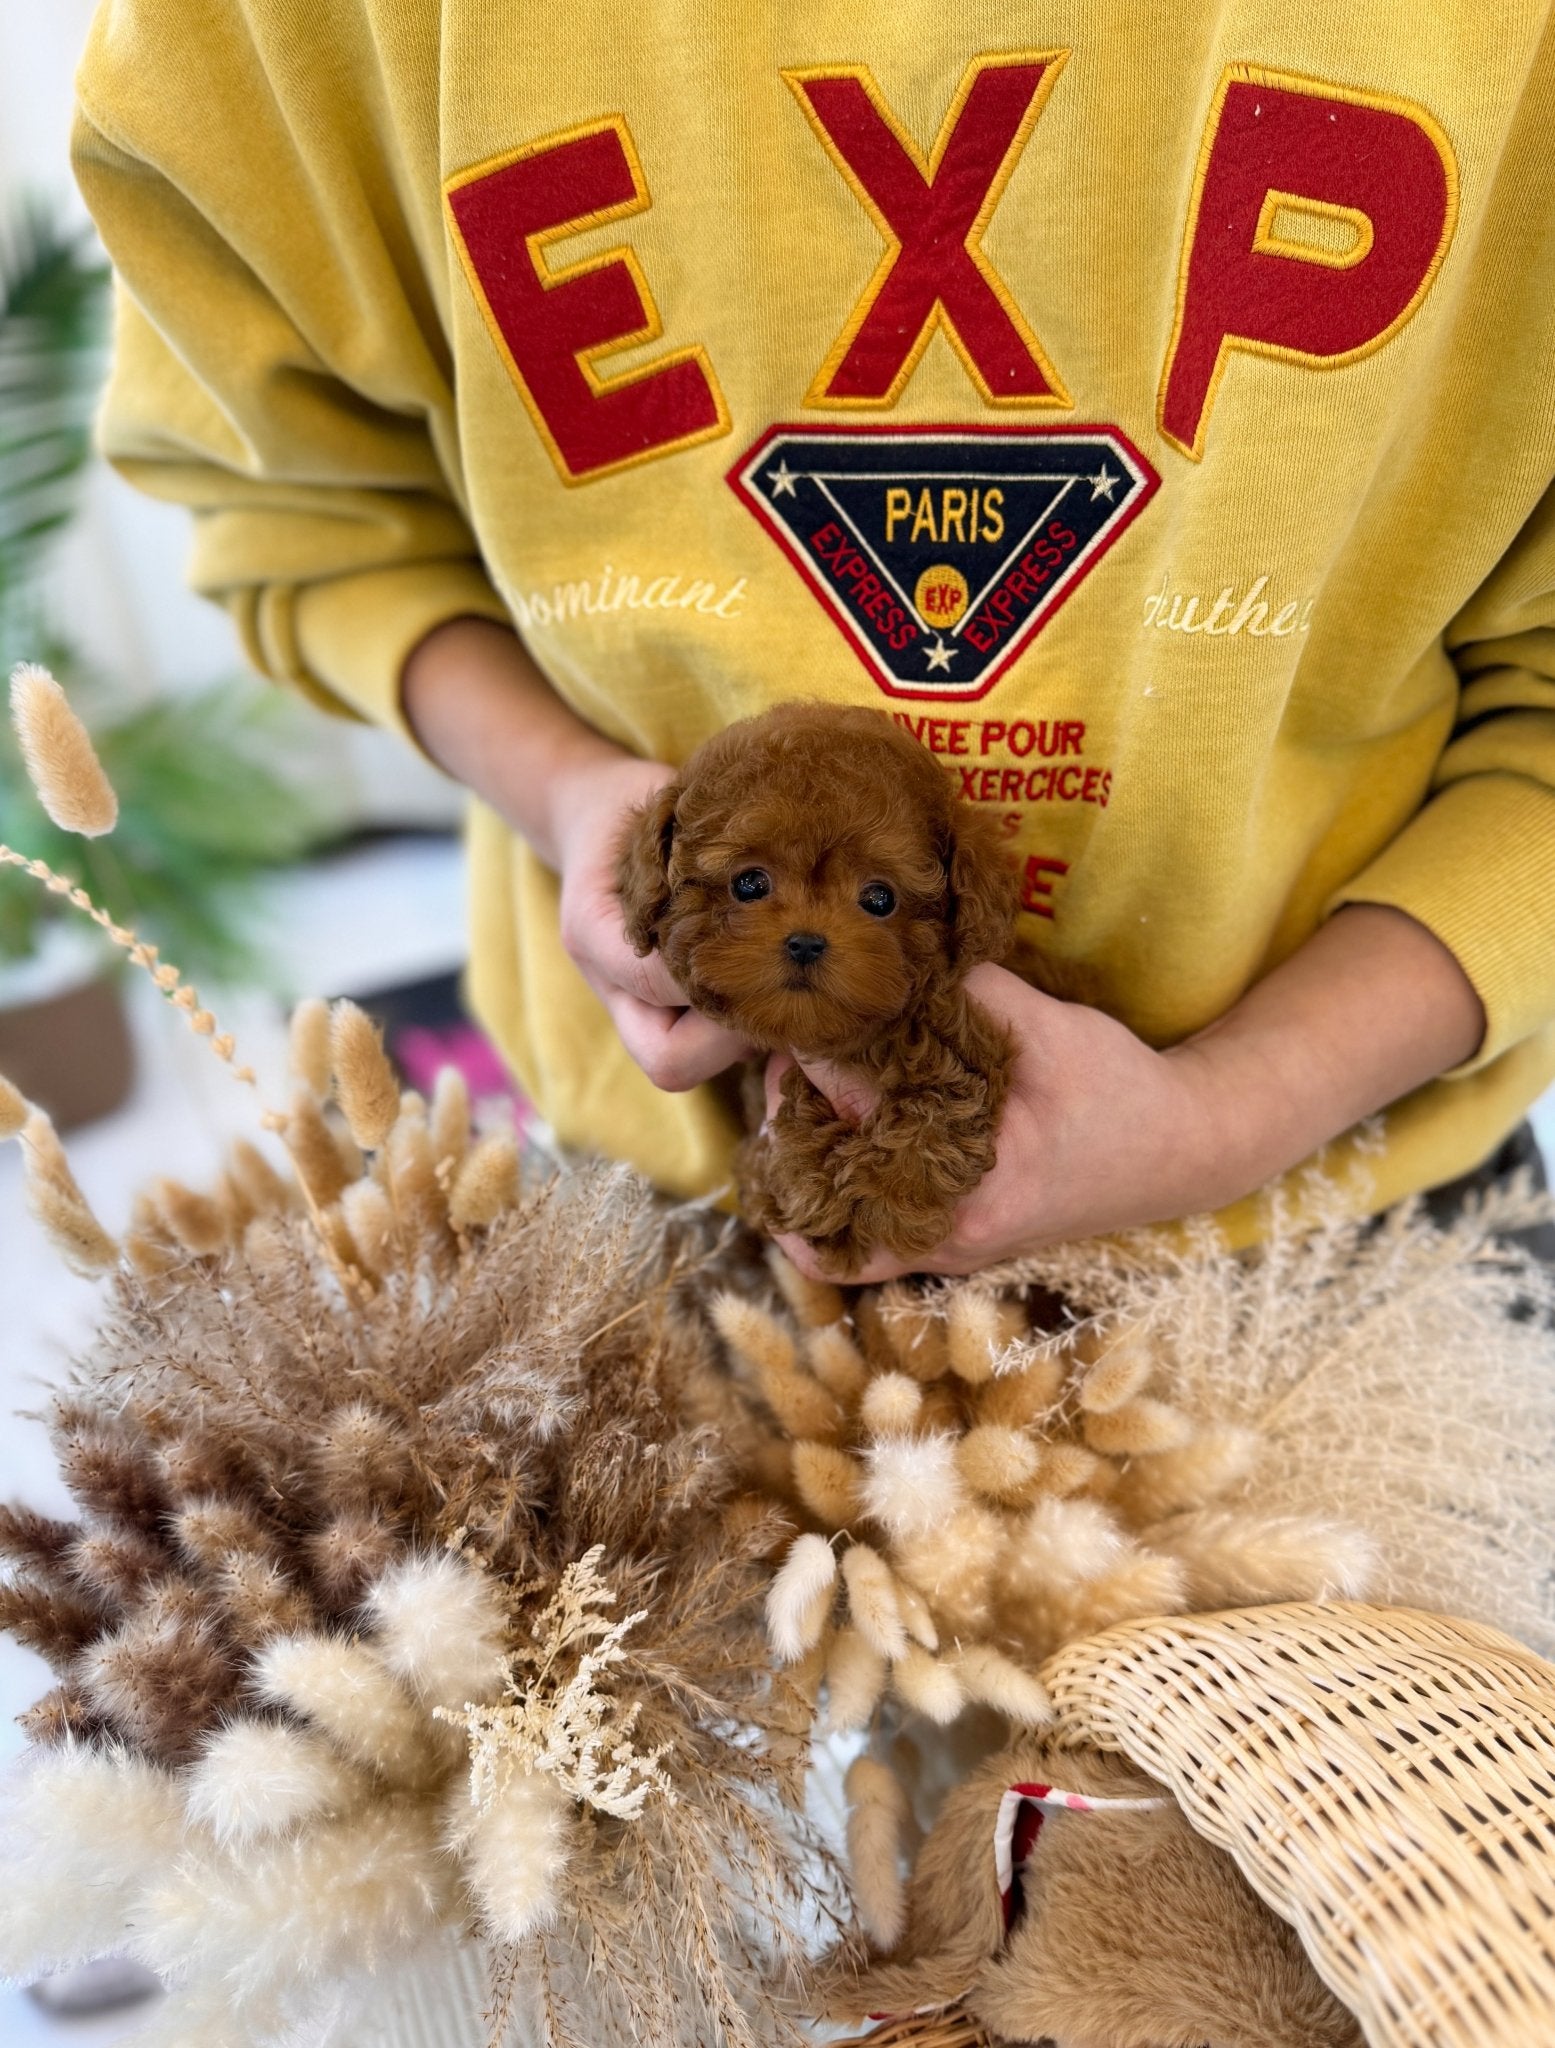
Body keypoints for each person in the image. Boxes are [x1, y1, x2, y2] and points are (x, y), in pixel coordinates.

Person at [70, 3, 1555, 1282]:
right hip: (653, 1167)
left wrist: (1234, 1110)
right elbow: (302, 506)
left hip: (1354, 1182)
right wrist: (571, 791)